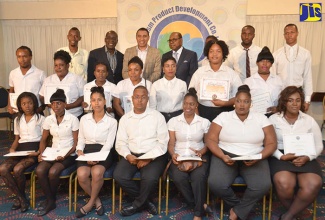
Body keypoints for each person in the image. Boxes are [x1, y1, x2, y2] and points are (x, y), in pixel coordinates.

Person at [206, 85, 277, 220]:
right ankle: (239, 207)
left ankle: (237, 210)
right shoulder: (223, 116)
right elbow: (210, 140)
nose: (242, 105)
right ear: (234, 102)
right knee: (216, 183)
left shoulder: (261, 118)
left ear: (251, 104)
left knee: (262, 185)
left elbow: (272, 143)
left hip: (254, 155)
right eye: (238, 101)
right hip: (225, 154)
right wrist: (222, 155)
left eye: (246, 101)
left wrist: (259, 157)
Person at [268, 86, 323, 220]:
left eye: (298, 100)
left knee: (313, 183)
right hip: (280, 155)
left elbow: (319, 145)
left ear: (302, 102)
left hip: (306, 155)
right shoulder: (273, 119)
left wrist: (308, 157)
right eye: (290, 100)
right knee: (285, 184)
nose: (294, 104)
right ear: (284, 102)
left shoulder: (308, 120)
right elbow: (268, 143)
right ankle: (296, 212)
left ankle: (288, 216)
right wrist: (281, 156)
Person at [113, 86, 169, 217]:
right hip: (132, 154)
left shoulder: (157, 117)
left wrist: (148, 158)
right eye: (137, 97)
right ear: (132, 99)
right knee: (119, 176)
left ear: (147, 99)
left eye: (143, 97)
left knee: (149, 178)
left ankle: (137, 205)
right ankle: (145, 202)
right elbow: (120, 143)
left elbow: (162, 142)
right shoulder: (125, 119)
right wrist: (128, 155)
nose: (140, 100)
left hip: (154, 155)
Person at [167, 88, 211, 220]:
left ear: (196, 105)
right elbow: (171, 143)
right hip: (179, 156)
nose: (188, 106)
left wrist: (201, 152)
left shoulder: (204, 122)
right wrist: (173, 154)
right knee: (179, 178)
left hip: (198, 157)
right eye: (186, 103)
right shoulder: (173, 121)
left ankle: (198, 214)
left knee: (198, 178)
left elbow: (208, 143)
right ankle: (199, 205)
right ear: (182, 104)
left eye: (192, 104)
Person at [35, 89, 79, 216]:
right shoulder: (48, 119)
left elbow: (76, 143)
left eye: (59, 103)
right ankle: (51, 199)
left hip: (69, 154)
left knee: (53, 171)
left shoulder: (73, 119)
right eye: (53, 104)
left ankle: (50, 201)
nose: (55, 106)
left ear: (65, 104)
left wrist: (65, 155)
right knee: (40, 170)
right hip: (53, 152)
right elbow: (43, 139)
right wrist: (41, 154)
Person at [75, 86, 117, 218]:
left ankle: (90, 203)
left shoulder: (112, 121)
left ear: (105, 101)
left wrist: (98, 157)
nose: (96, 103)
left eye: (99, 100)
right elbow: (81, 139)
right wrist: (80, 150)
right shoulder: (83, 119)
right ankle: (97, 200)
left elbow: (109, 144)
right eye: (93, 100)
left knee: (96, 172)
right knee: (82, 174)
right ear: (90, 102)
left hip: (104, 152)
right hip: (87, 151)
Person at [0, 92, 44, 212]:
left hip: (34, 149)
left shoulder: (41, 119)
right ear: (20, 105)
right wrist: (12, 149)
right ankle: (21, 198)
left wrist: (39, 152)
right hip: (20, 149)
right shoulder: (18, 119)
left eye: (30, 103)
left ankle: (20, 199)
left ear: (34, 103)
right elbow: (16, 139)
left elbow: (44, 140)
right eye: (24, 104)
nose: (27, 106)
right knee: (3, 169)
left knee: (18, 169)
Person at [189, 40, 242, 122]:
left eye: (218, 51)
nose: (214, 54)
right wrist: (196, 110)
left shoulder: (231, 73)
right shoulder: (199, 72)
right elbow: (191, 94)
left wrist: (225, 103)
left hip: (225, 112)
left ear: (223, 54)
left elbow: (239, 96)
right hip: (203, 111)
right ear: (207, 54)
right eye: (211, 51)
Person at [272, 24, 313, 111]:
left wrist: (307, 100)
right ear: (284, 35)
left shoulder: (305, 53)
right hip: (282, 94)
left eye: (292, 32)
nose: (289, 35)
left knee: (299, 122)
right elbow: (273, 79)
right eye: (286, 33)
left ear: (297, 33)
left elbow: (307, 77)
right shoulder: (276, 54)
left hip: (298, 93)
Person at [39, 50, 85, 118]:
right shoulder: (48, 80)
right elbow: (42, 96)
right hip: (54, 117)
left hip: (74, 115)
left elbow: (83, 97)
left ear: (67, 66)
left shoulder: (78, 79)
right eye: (56, 65)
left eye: (61, 65)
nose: (58, 68)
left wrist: (69, 106)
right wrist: (51, 105)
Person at [244, 46, 283, 116]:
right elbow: (244, 101)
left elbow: (284, 100)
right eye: (262, 61)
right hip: (255, 117)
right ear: (257, 63)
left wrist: (278, 108)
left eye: (268, 61)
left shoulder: (279, 80)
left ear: (271, 64)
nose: (265, 64)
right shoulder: (248, 82)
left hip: (275, 116)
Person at [8, 46, 46, 114]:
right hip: (18, 111)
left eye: (25, 56)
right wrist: (9, 106)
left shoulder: (40, 73)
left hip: (36, 111)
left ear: (30, 57)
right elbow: (11, 91)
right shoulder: (13, 73)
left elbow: (45, 94)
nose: (22, 59)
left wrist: (41, 108)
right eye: (19, 57)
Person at [149, 56, 187, 122]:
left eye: (173, 66)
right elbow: (152, 106)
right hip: (161, 117)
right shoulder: (156, 84)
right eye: (167, 66)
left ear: (176, 68)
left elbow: (185, 103)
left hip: (178, 117)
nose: (170, 69)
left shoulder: (182, 84)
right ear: (163, 69)